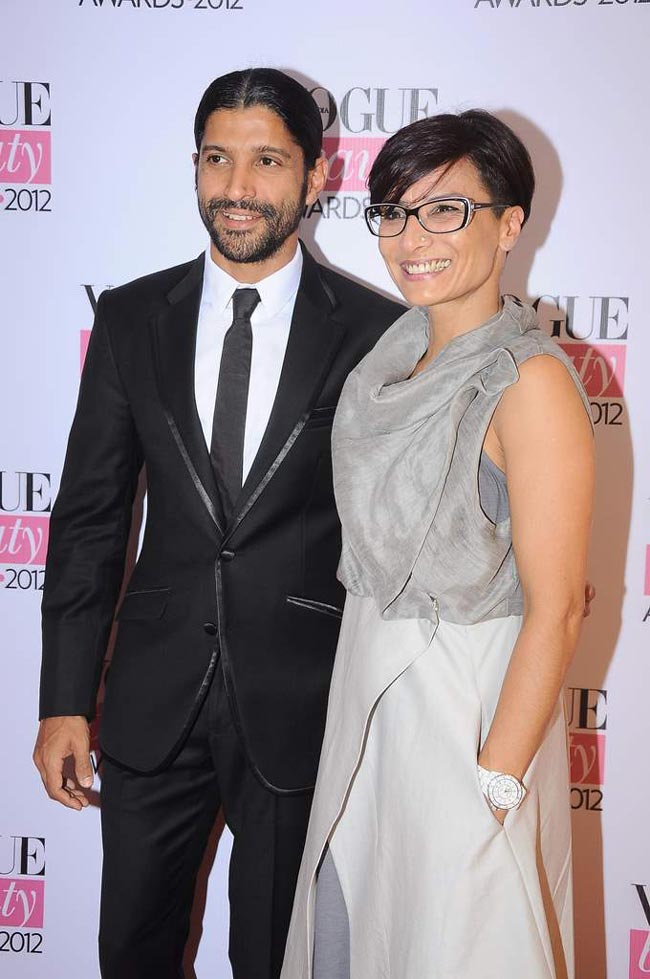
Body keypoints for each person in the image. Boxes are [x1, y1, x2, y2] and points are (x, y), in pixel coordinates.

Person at [32, 68, 403, 979]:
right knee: (131, 952)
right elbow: (89, 520)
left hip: (303, 702)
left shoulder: (375, 333)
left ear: (316, 177)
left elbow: (393, 537)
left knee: (277, 959)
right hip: (152, 699)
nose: (237, 187)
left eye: (267, 161)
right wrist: (64, 699)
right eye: (216, 159)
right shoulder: (131, 318)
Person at [281, 110, 594, 979]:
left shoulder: (529, 382)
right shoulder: (387, 364)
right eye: (394, 211)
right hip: (370, 711)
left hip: (468, 717)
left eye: (445, 210)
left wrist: (494, 782)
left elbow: (559, 609)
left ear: (509, 223)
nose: (411, 238)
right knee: (351, 938)